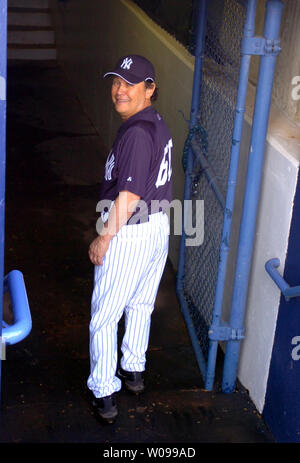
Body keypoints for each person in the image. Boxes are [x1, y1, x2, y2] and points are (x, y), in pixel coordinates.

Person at [87, 54, 173, 423]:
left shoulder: (137, 133)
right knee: (140, 303)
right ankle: (133, 370)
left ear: (149, 89)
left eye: (130, 83)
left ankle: (104, 390)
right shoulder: (154, 122)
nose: (119, 90)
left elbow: (130, 196)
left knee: (104, 317)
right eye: (116, 82)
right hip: (156, 228)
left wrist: (104, 238)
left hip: (131, 230)